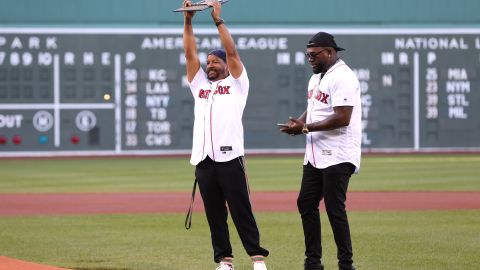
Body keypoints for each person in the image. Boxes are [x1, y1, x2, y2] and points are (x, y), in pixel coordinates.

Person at [182, 1, 269, 270]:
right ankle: (225, 261)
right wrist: (188, 21)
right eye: (208, 62)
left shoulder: (237, 84)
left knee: (242, 211)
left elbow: (231, 50)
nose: (210, 65)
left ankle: (257, 259)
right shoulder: (200, 87)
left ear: (227, 65)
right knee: (215, 215)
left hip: (231, 158)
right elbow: (189, 55)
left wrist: (217, 20)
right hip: (204, 161)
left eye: (215, 61)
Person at [279, 32, 361, 270]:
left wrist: (304, 128)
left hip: (338, 153)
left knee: (335, 208)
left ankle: (346, 264)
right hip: (315, 154)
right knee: (305, 203)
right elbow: (313, 108)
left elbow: (342, 118)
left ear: (330, 52)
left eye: (314, 55)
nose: (310, 59)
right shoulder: (316, 78)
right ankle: (313, 263)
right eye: (308, 55)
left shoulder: (343, 76)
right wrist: (300, 123)